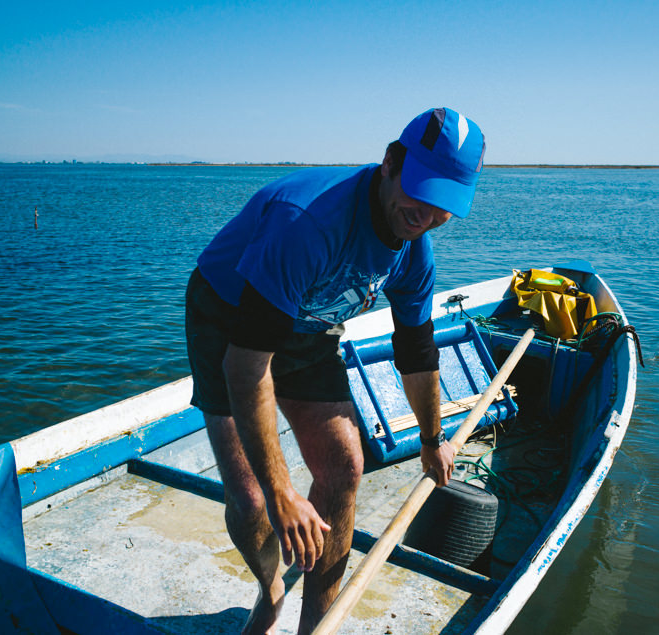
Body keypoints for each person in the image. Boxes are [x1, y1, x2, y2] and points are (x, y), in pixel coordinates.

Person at [185, 107, 486, 634]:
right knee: (252, 495)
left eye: (445, 205)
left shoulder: (416, 253)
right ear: (391, 162)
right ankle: (270, 589)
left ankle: (314, 629)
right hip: (227, 317)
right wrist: (283, 494)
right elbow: (247, 365)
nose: (426, 214)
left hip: (309, 325)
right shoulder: (307, 222)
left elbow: (416, 352)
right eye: (421, 191)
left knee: (345, 469)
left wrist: (432, 438)